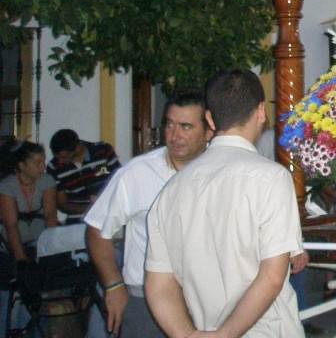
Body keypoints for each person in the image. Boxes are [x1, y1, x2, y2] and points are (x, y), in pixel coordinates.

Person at [145, 67, 306, 337]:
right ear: (260, 112)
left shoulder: (172, 188)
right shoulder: (271, 178)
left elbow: (159, 285)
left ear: (209, 119)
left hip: (202, 326)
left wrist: (187, 335)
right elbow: (272, 276)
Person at [84, 91, 212, 337]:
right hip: (146, 303)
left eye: (185, 126)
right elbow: (98, 229)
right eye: (169, 125)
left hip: (206, 301)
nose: (174, 135)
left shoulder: (222, 172)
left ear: (209, 131)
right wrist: (113, 286)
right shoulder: (137, 173)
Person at [0, 141, 58, 263]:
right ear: (22, 166)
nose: (42, 166)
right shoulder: (6, 186)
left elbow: (50, 215)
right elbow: (11, 224)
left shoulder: (47, 181)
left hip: (39, 243)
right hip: (10, 246)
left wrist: (50, 249)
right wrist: (21, 258)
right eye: (37, 163)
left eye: (43, 161)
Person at [47, 129, 120, 223]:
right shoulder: (54, 166)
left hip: (106, 218)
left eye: (63, 157)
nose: (60, 161)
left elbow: (120, 184)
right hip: (75, 222)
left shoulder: (103, 151)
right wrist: (89, 209)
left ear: (77, 148)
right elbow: (62, 203)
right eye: (57, 157)